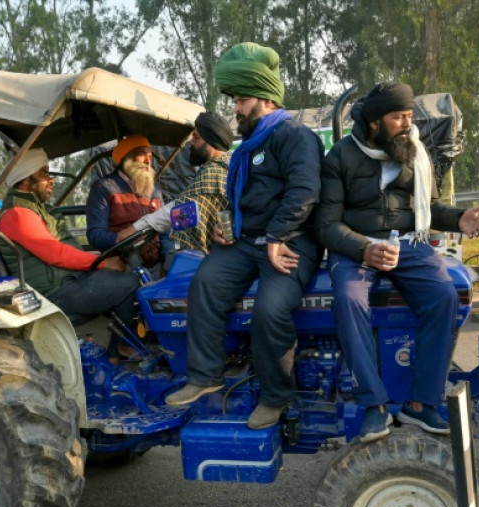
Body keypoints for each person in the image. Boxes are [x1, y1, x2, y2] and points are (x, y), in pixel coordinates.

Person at [314, 82, 479, 442]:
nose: (408, 124)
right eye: (399, 117)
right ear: (374, 122)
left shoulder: (415, 152)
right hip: (356, 246)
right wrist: (365, 249)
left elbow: (431, 207)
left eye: (410, 116)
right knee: (348, 300)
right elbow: (326, 225)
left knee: (444, 296)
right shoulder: (340, 157)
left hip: (409, 243)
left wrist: (458, 218)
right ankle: (373, 404)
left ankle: (421, 403)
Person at [164, 42, 324, 430]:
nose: (235, 108)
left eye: (242, 100)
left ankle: (276, 396)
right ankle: (205, 375)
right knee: (204, 282)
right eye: (235, 100)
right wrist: (228, 226)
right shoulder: (246, 148)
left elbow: (304, 192)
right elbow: (240, 200)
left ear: (266, 100)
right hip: (247, 242)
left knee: (270, 309)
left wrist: (276, 236)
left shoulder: (294, 136)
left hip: (290, 241)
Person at [0, 148, 141, 360]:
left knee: (125, 277)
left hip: (68, 281)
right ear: (26, 179)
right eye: (44, 173)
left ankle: (114, 355)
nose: (51, 180)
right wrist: (101, 263)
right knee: (129, 283)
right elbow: (55, 253)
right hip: (52, 293)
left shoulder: (37, 209)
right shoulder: (17, 213)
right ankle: (124, 347)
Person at [119, 112, 233, 254]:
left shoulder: (214, 172)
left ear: (211, 141)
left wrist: (135, 229)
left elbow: (183, 210)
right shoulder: (231, 166)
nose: (191, 142)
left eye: (196, 137)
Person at [85, 134, 171, 269]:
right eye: (141, 155)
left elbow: (166, 232)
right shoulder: (104, 188)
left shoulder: (155, 193)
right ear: (127, 158)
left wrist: (167, 264)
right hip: (122, 267)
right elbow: (96, 235)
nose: (147, 161)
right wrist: (131, 243)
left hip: (157, 266)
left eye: (150, 157)